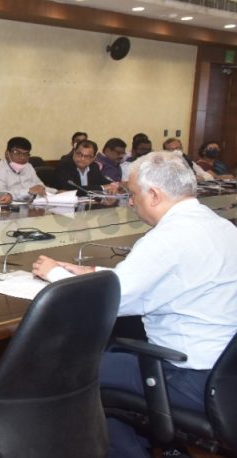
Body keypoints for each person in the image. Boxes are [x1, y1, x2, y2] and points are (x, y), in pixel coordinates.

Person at [32, 151, 237, 457]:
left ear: (153, 194)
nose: (130, 202)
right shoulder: (221, 226)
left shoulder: (168, 238)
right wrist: (93, 271)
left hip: (188, 376)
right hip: (226, 373)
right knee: (112, 353)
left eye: (133, 194)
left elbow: (106, 304)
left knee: (67, 366)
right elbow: (159, 280)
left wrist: (54, 274)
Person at [0, 136, 54, 201]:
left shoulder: (28, 166)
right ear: (7, 153)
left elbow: (39, 187)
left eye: (26, 154)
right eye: (17, 153)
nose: (22, 157)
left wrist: (56, 192)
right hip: (5, 208)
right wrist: (28, 191)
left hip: (29, 206)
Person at [53, 140, 119, 196]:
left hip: (90, 204)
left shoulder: (94, 167)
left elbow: (103, 181)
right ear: (74, 152)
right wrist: (102, 188)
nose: (82, 158)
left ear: (93, 158)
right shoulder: (64, 166)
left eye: (87, 156)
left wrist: (113, 185)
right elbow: (71, 189)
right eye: (79, 154)